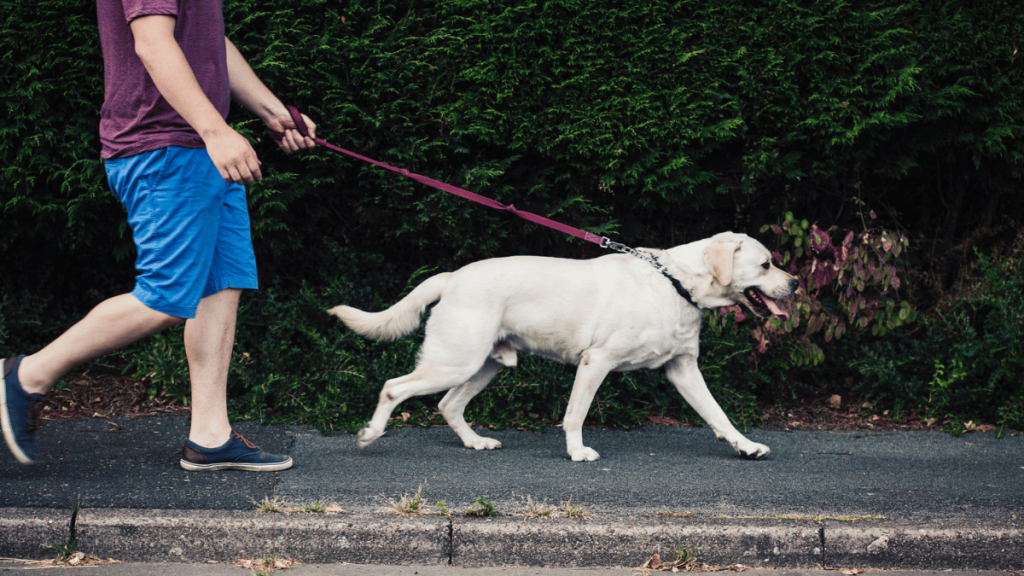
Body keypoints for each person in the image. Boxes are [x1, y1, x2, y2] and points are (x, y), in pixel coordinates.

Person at [1, 0, 316, 471]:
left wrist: (272, 111)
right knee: (165, 296)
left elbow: (209, 46)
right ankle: (24, 377)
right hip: (163, 145)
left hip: (198, 147)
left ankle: (210, 436)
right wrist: (215, 131)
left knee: (221, 284)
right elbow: (151, 42)